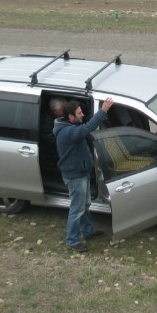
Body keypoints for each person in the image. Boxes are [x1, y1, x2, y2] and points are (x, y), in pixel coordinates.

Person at [53, 97, 114, 252]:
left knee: (84, 205)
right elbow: (87, 129)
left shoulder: (69, 125)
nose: (82, 115)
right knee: (77, 209)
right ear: (70, 117)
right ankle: (72, 240)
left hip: (81, 173)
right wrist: (103, 111)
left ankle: (88, 231)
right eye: (79, 113)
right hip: (75, 177)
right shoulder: (68, 132)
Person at [39, 97, 66, 180]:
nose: (65, 112)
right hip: (50, 150)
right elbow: (50, 138)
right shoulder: (47, 122)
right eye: (63, 110)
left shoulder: (57, 116)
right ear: (56, 111)